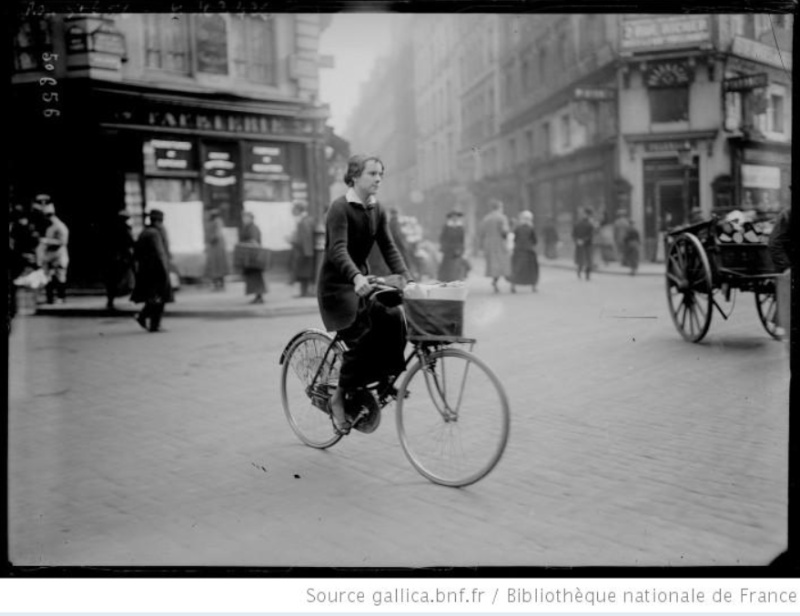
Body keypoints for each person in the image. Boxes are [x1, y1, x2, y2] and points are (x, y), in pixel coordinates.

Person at [317, 154, 412, 435]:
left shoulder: (376, 209)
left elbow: (389, 246)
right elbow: (337, 250)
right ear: (355, 176)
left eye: (381, 174)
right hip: (338, 287)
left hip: (361, 281)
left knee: (395, 317)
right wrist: (356, 276)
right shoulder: (340, 208)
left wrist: (408, 279)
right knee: (362, 335)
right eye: (372, 173)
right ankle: (338, 396)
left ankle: (382, 380)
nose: (378, 179)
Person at [130, 209, 173, 332]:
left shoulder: (145, 232)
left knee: (154, 298)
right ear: (159, 220)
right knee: (160, 298)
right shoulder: (155, 233)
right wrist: (165, 270)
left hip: (147, 270)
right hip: (157, 270)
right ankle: (152, 323)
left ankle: (144, 318)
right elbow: (160, 253)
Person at [38, 202, 70, 304]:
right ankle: (50, 298)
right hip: (50, 255)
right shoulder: (50, 227)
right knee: (48, 277)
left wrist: (46, 241)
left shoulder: (60, 227)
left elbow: (63, 242)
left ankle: (61, 297)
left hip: (59, 255)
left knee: (60, 276)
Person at [104, 210, 135, 311]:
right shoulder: (125, 229)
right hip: (122, 257)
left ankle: (110, 300)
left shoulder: (111, 228)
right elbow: (130, 242)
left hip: (113, 257)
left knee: (112, 281)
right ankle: (130, 299)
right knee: (125, 278)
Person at [478, 198, 511, 293]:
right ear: (499, 207)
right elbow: (504, 231)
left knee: (493, 263)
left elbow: (482, 232)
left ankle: (495, 280)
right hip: (499, 243)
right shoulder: (502, 218)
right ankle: (502, 279)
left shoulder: (486, 218)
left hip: (488, 243)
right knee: (503, 262)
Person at [239, 211, 267, 304]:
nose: (244, 220)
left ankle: (259, 296)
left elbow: (254, 242)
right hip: (248, 256)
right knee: (251, 277)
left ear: (251, 219)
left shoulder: (253, 228)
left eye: (246, 218)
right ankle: (257, 296)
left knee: (256, 276)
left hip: (254, 256)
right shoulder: (246, 228)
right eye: (243, 218)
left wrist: (244, 244)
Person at [289, 202, 316, 297]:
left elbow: (305, 238)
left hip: (304, 251)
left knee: (305, 272)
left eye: (295, 209)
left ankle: (306, 292)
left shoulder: (304, 221)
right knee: (304, 272)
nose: (293, 211)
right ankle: (304, 292)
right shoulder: (305, 220)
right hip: (304, 251)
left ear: (299, 210)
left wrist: (293, 241)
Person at [510, 210, 539, 292]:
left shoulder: (517, 228)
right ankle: (533, 286)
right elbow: (535, 240)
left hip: (518, 250)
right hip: (529, 251)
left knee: (516, 268)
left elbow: (514, 239)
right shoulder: (531, 228)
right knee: (532, 269)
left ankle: (513, 285)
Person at [437, 210, 469, 282]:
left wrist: (461, 249)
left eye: (456, 217)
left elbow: (462, 240)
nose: (455, 219)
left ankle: (457, 280)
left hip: (458, 249)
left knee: (457, 266)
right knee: (447, 267)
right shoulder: (446, 227)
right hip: (448, 250)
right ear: (450, 218)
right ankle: (447, 280)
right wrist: (443, 248)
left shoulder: (460, 228)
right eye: (453, 217)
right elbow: (442, 238)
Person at [204, 209, 229, 291]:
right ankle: (217, 284)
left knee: (218, 266)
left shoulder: (217, 221)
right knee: (215, 266)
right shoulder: (213, 222)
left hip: (217, 246)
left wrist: (211, 239)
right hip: (214, 246)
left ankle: (219, 284)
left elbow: (217, 234)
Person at [573, 207, 595, 280]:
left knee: (580, 259)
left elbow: (573, 234)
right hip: (588, 244)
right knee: (588, 259)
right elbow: (591, 235)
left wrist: (577, 240)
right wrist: (585, 239)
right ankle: (587, 274)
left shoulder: (577, 224)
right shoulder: (590, 225)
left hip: (579, 244)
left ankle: (579, 270)